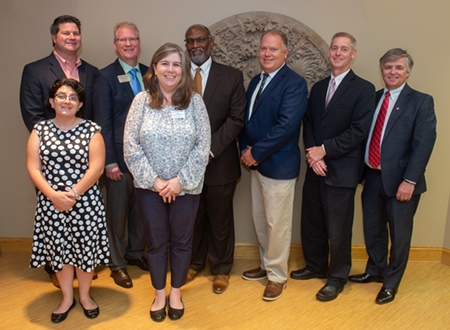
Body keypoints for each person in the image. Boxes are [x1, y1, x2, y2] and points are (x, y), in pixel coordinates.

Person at [123, 43, 210, 322]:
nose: (170, 70)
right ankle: (159, 293)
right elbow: (130, 146)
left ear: (183, 71)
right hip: (150, 189)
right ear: (155, 68)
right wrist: (157, 181)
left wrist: (179, 181)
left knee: (182, 243)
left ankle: (175, 292)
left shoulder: (195, 102)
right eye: (165, 64)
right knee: (157, 242)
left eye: (176, 64)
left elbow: (203, 145)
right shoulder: (141, 101)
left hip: (187, 188)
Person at [290, 32, 375, 302]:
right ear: (330, 52)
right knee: (312, 221)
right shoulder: (318, 87)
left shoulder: (364, 89)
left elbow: (359, 130)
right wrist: (314, 156)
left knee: (339, 229)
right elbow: (310, 123)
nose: (338, 53)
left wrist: (324, 151)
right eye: (334, 48)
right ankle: (316, 266)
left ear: (353, 54)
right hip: (316, 168)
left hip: (342, 171)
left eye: (344, 49)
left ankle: (337, 277)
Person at [349, 48, 437, 304]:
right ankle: (375, 271)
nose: (392, 72)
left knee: (399, 236)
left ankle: (391, 283)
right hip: (372, 178)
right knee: (373, 230)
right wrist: (363, 173)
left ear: (408, 71)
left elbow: (424, 144)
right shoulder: (373, 98)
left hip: (402, 181)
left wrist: (410, 181)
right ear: (381, 70)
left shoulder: (421, 101)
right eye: (388, 67)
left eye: (398, 67)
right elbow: (364, 137)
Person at [20, 15, 98, 287]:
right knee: (55, 228)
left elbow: (96, 114)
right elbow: (31, 115)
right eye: (65, 33)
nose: (72, 37)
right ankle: (58, 271)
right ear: (54, 37)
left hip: (84, 166)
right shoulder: (35, 69)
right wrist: (57, 143)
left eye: (76, 33)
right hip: (51, 166)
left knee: (82, 231)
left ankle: (83, 270)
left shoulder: (91, 71)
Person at [27, 78, 109, 323]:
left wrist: (72, 194)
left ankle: (84, 296)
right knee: (59, 253)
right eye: (61, 96)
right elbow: (33, 169)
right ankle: (66, 298)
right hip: (51, 204)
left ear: (80, 104)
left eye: (73, 97)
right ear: (52, 101)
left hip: (85, 203)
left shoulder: (91, 130)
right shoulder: (39, 130)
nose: (67, 101)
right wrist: (53, 195)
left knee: (85, 253)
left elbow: (97, 169)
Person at [239, 30, 308, 301]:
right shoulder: (256, 80)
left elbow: (286, 126)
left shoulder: (295, 83)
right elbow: (247, 120)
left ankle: (277, 276)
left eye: (273, 49)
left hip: (279, 166)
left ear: (285, 53)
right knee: (260, 219)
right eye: (264, 49)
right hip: (256, 164)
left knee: (277, 224)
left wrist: (255, 152)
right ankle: (266, 266)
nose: (267, 54)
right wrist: (245, 149)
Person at [184, 24, 246, 294]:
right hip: (184, 164)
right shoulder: (176, 75)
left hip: (219, 161)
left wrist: (208, 151)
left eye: (200, 40)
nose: (195, 45)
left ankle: (221, 268)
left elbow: (236, 119)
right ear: (186, 46)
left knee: (220, 219)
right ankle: (195, 263)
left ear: (211, 42)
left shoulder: (231, 76)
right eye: (190, 41)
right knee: (193, 217)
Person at [94, 21, 149, 289]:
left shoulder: (151, 74)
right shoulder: (104, 77)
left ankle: (135, 253)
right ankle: (116, 264)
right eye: (122, 40)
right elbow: (102, 122)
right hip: (119, 162)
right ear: (115, 45)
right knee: (116, 216)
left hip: (147, 162)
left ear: (139, 43)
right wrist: (110, 161)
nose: (128, 44)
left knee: (141, 212)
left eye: (132, 39)